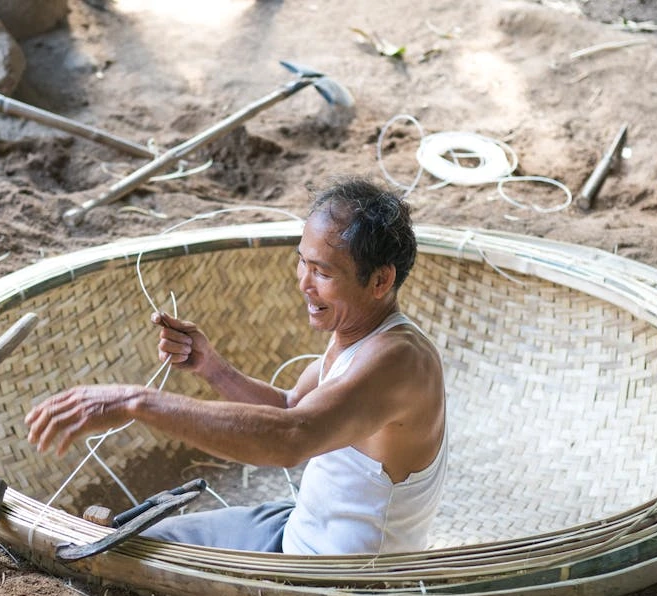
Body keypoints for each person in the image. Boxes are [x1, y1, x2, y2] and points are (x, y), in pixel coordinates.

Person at [25, 177, 447, 555]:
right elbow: (290, 407)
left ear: (380, 281)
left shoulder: (398, 360)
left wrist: (137, 402)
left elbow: (290, 438)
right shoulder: (357, 334)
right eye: (302, 261)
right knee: (136, 540)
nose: (303, 282)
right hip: (297, 524)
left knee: (131, 556)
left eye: (321, 272)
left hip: (339, 581)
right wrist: (213, 368)